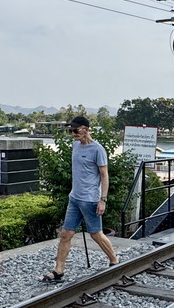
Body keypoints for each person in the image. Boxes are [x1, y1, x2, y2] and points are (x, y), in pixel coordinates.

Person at [40, 116, 118, 282]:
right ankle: (58, 271)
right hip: (74, 198)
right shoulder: (75, 145)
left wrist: (102, 199)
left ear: (86, 129)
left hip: (90, 199)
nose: (73, 134)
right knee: (66, 234)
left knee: (96, 234)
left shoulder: (98, 149)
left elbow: (104, 176)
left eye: (76, 130)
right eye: (71, 131)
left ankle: (114, 261)